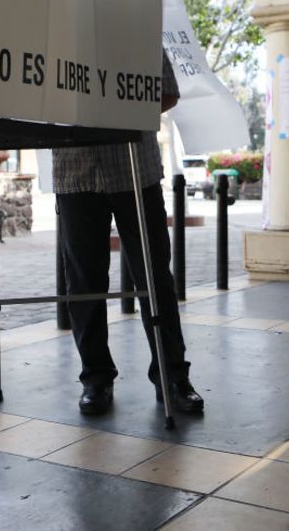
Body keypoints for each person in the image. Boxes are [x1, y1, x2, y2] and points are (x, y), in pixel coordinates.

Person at [53, 50, 203, 416]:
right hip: (75, 171)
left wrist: (122, 111)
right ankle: (96, 379)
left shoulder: (136, 19)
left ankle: (172, 377)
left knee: (155, 278)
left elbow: (168, 91)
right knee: (83, 283)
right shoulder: (54, 31)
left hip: (136, 169)